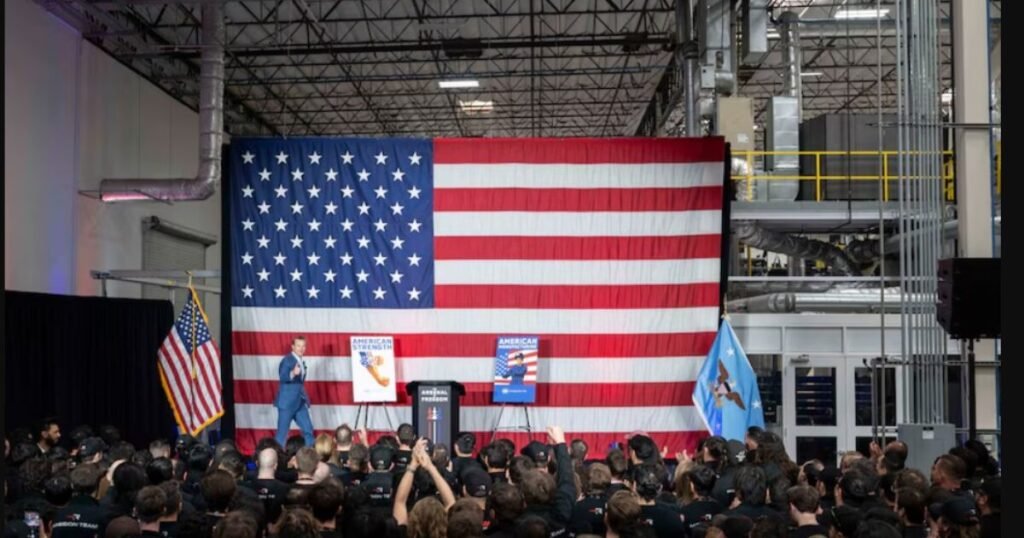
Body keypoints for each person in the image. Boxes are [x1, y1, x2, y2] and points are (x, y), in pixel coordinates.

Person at [275, 336, 315, 446]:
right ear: (293, 347)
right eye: (298, 346)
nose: (301, 348)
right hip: (287, 403)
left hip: (299, 402)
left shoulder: (300, 361)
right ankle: (277, 456)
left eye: (303, 346)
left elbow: (299, 383)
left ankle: (309, 454)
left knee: (308, 430)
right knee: (282, 435)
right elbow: (283, 377)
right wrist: (292, 373)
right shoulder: (287, 360)